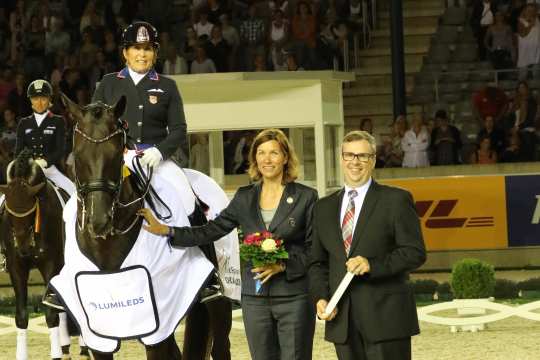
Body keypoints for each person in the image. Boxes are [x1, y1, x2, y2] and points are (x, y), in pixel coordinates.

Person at [139, 128, 318, 360]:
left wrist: (282, 265)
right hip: (255, 299)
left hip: (294, 297)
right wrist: (169, 230)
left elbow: (314, 249)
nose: (267, 159)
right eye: (261, 153)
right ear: (254, 158)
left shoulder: (306, 197)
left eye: (274, 153)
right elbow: (211, 231)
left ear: (285, 157)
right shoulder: (244, 197)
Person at [91, 21, 221, 303]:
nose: (142, 54)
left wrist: (160, 152)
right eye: (137, 48)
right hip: (119, 158)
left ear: (155, 53)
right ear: (125, 52)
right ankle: (72, 270)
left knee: (189, 200)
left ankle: (209, 275)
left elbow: (178, 130)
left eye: (147, 48)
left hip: (157, 158)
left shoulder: (167, 86)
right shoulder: (108, 84)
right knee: (82, 203)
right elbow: (95, 126)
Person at [309, 130, 426, 360]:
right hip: (342, 320)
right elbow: (317, 263)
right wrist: (321, 298)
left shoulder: (396, 200)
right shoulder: (323, 207)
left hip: (386, 319)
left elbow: (415, 253)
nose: (355, 161)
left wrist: (372, 265)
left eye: (362, 156)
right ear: (341, 159)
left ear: (373, 160)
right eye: (349, 155)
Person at [1, 80, 76, 274]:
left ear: (49, 99)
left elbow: (61, 148)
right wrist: (25, 163)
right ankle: (3, 250)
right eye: (36, 98)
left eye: (43, 98)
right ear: (31, 101)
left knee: (74, 194)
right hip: (27, 173)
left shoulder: (58, 121)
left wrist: (46, 161)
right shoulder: (23, 123)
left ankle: (75, 243)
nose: (39, 102)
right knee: (2, 201)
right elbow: (18, 150)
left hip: (49, 169)